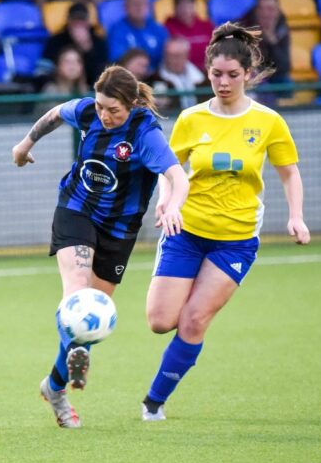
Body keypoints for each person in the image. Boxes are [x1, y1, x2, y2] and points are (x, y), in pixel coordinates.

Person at [141, 22, 311, 422]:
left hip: (235, 240)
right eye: (216, 74)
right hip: (186, 232)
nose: (223, 82)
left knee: (195, 319)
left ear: (248, 75)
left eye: (233, 75)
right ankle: (157, 395)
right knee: (160, 321)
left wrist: (296, 217)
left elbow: (289, 172)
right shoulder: (191, 119)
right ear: (207, 71)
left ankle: (154, 402)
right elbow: (170, 169)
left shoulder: (269, 121)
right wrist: (166, 205)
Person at [11, 65, 190, 428]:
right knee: (80, 297)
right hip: (76, 210)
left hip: (119, 231)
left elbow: (177, 175)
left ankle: (55, 387)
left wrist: (173, 205)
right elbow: (54, 114)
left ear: (133, 103)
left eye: (114, 110)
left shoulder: (145, 132)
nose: (105, 116)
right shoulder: (89, 111)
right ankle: (72, 359)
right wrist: (25, 144)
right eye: (101, 106)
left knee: (92, 322)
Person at [41, 2, 108, 86]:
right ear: (68, 21)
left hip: (90, 88)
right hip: (60, 87)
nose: (78, 24)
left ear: (88, 22)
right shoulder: (55, 41)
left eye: (82, 20)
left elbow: (103, 72)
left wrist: (87, 47)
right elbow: (43, 70)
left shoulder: (98, 42)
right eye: (75, 20)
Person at [107, 0, 168, 72]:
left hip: (158, 77)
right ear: (126, 7)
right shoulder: (116, 31)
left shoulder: (159, 29)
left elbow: (167, 58)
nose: (140, 7)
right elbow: (118, 61)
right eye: (135, 3)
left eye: (144, 3)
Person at [239, 0, 290, 85]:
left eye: (270, 9)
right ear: (255, 11)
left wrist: (272, 42)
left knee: (285, 81)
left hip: (274, 75)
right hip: (250, 76)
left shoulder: (281, 29)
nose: (265, 14)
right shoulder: (243, 28)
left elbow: (284, 67)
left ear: (278, 12)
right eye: (261, 9)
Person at [149, 37, 206, 112]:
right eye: (171, 56)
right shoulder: (154, 78)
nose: (174, 60)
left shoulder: (202, 78)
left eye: (179, 56)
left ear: (187, 55)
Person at [163, 0, 213, 72]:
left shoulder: (207, 26)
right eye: (181, 6)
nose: (185, 10)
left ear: (194, 6)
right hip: (181, 73)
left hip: (206, 71)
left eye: (188, 5)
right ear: (174, 8)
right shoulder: (167, 28)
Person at [36, 45, 89, 115]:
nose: (73, 65)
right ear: (58, 66)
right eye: (67, 62)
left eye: (77, 61)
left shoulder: (86, 92)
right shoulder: (50, 91)